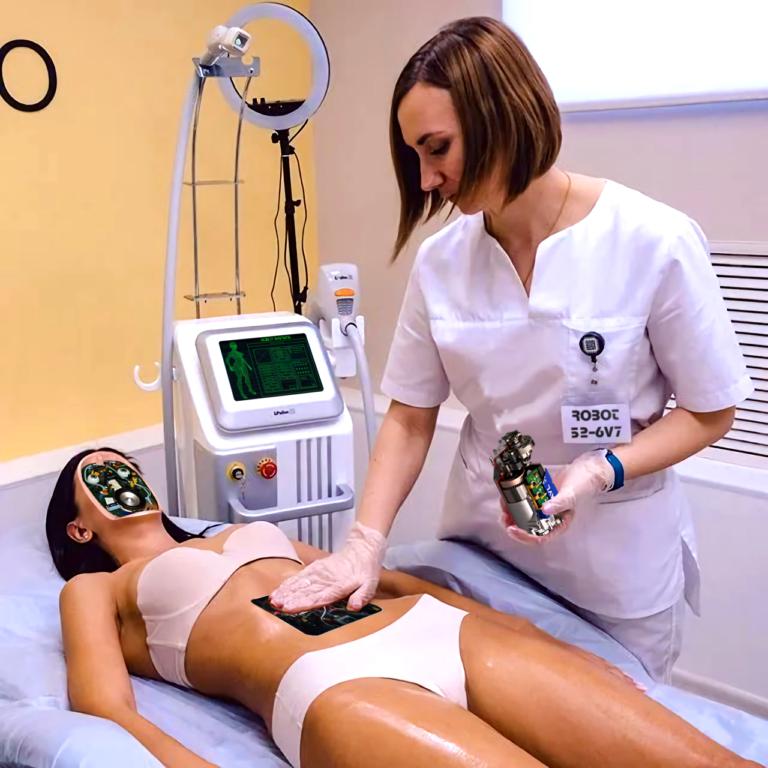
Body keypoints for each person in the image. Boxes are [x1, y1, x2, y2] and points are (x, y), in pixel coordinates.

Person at [270, 16, 754, 685]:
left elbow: (710, 411)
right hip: (486, 551)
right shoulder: (442, 262)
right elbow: (409, 417)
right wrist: (363, 542)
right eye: (416, 157)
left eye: (438, 149)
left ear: (501, 116)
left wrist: (599, 470)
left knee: (602, 726)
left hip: (615, 569)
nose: (427, 179)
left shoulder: (652, 240)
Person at [46, 448, 758, 768]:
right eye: (99, 473)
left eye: (126, 466)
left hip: (440, 632)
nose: (121, 474)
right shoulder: (95, 590)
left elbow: (380, 578)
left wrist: (533, 636)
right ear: (78, 529)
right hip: (336, 684)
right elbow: (106, 707)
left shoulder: (245, 532)